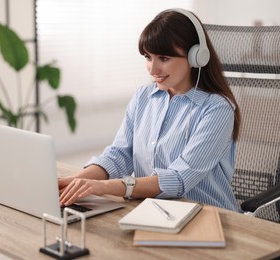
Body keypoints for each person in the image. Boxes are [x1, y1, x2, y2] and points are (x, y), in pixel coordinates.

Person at [59, 8, 241, 212]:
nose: (153, 70)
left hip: (209, 216)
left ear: (195, 57)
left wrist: (105, 187)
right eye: (147, 57)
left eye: (163, 58)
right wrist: (72, 182)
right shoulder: (144, 96)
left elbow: (179, 179)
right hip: (154, 210)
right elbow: (119, 155)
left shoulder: (217, 109)